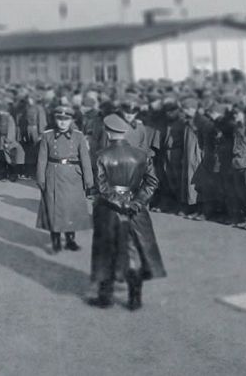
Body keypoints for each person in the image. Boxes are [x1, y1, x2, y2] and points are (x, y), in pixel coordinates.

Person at [89, 114, 165, 310]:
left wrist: (118, 203)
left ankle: (105, 297)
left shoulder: (101, 155)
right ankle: (134, 299)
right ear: (125, 132)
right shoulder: (142, 155)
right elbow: (152, 182)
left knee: (107, 250)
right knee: (134, 251)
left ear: (108, 132)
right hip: (135, 209)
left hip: (108, 210)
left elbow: (101, 186)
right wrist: (137, 202)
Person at [35, 105, 94, 253]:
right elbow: (42, 159)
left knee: (71, 208)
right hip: (53, 174)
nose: (62, 123)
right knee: (53, 209)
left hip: (73, 175)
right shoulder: (47, 136)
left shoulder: (79, 136)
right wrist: (40, 178)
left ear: (71, 120)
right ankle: (55, 240)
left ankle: (70, 240)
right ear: (55, 120)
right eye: (60, 119)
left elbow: (85, 159)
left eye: (66, 120)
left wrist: (89, 179)